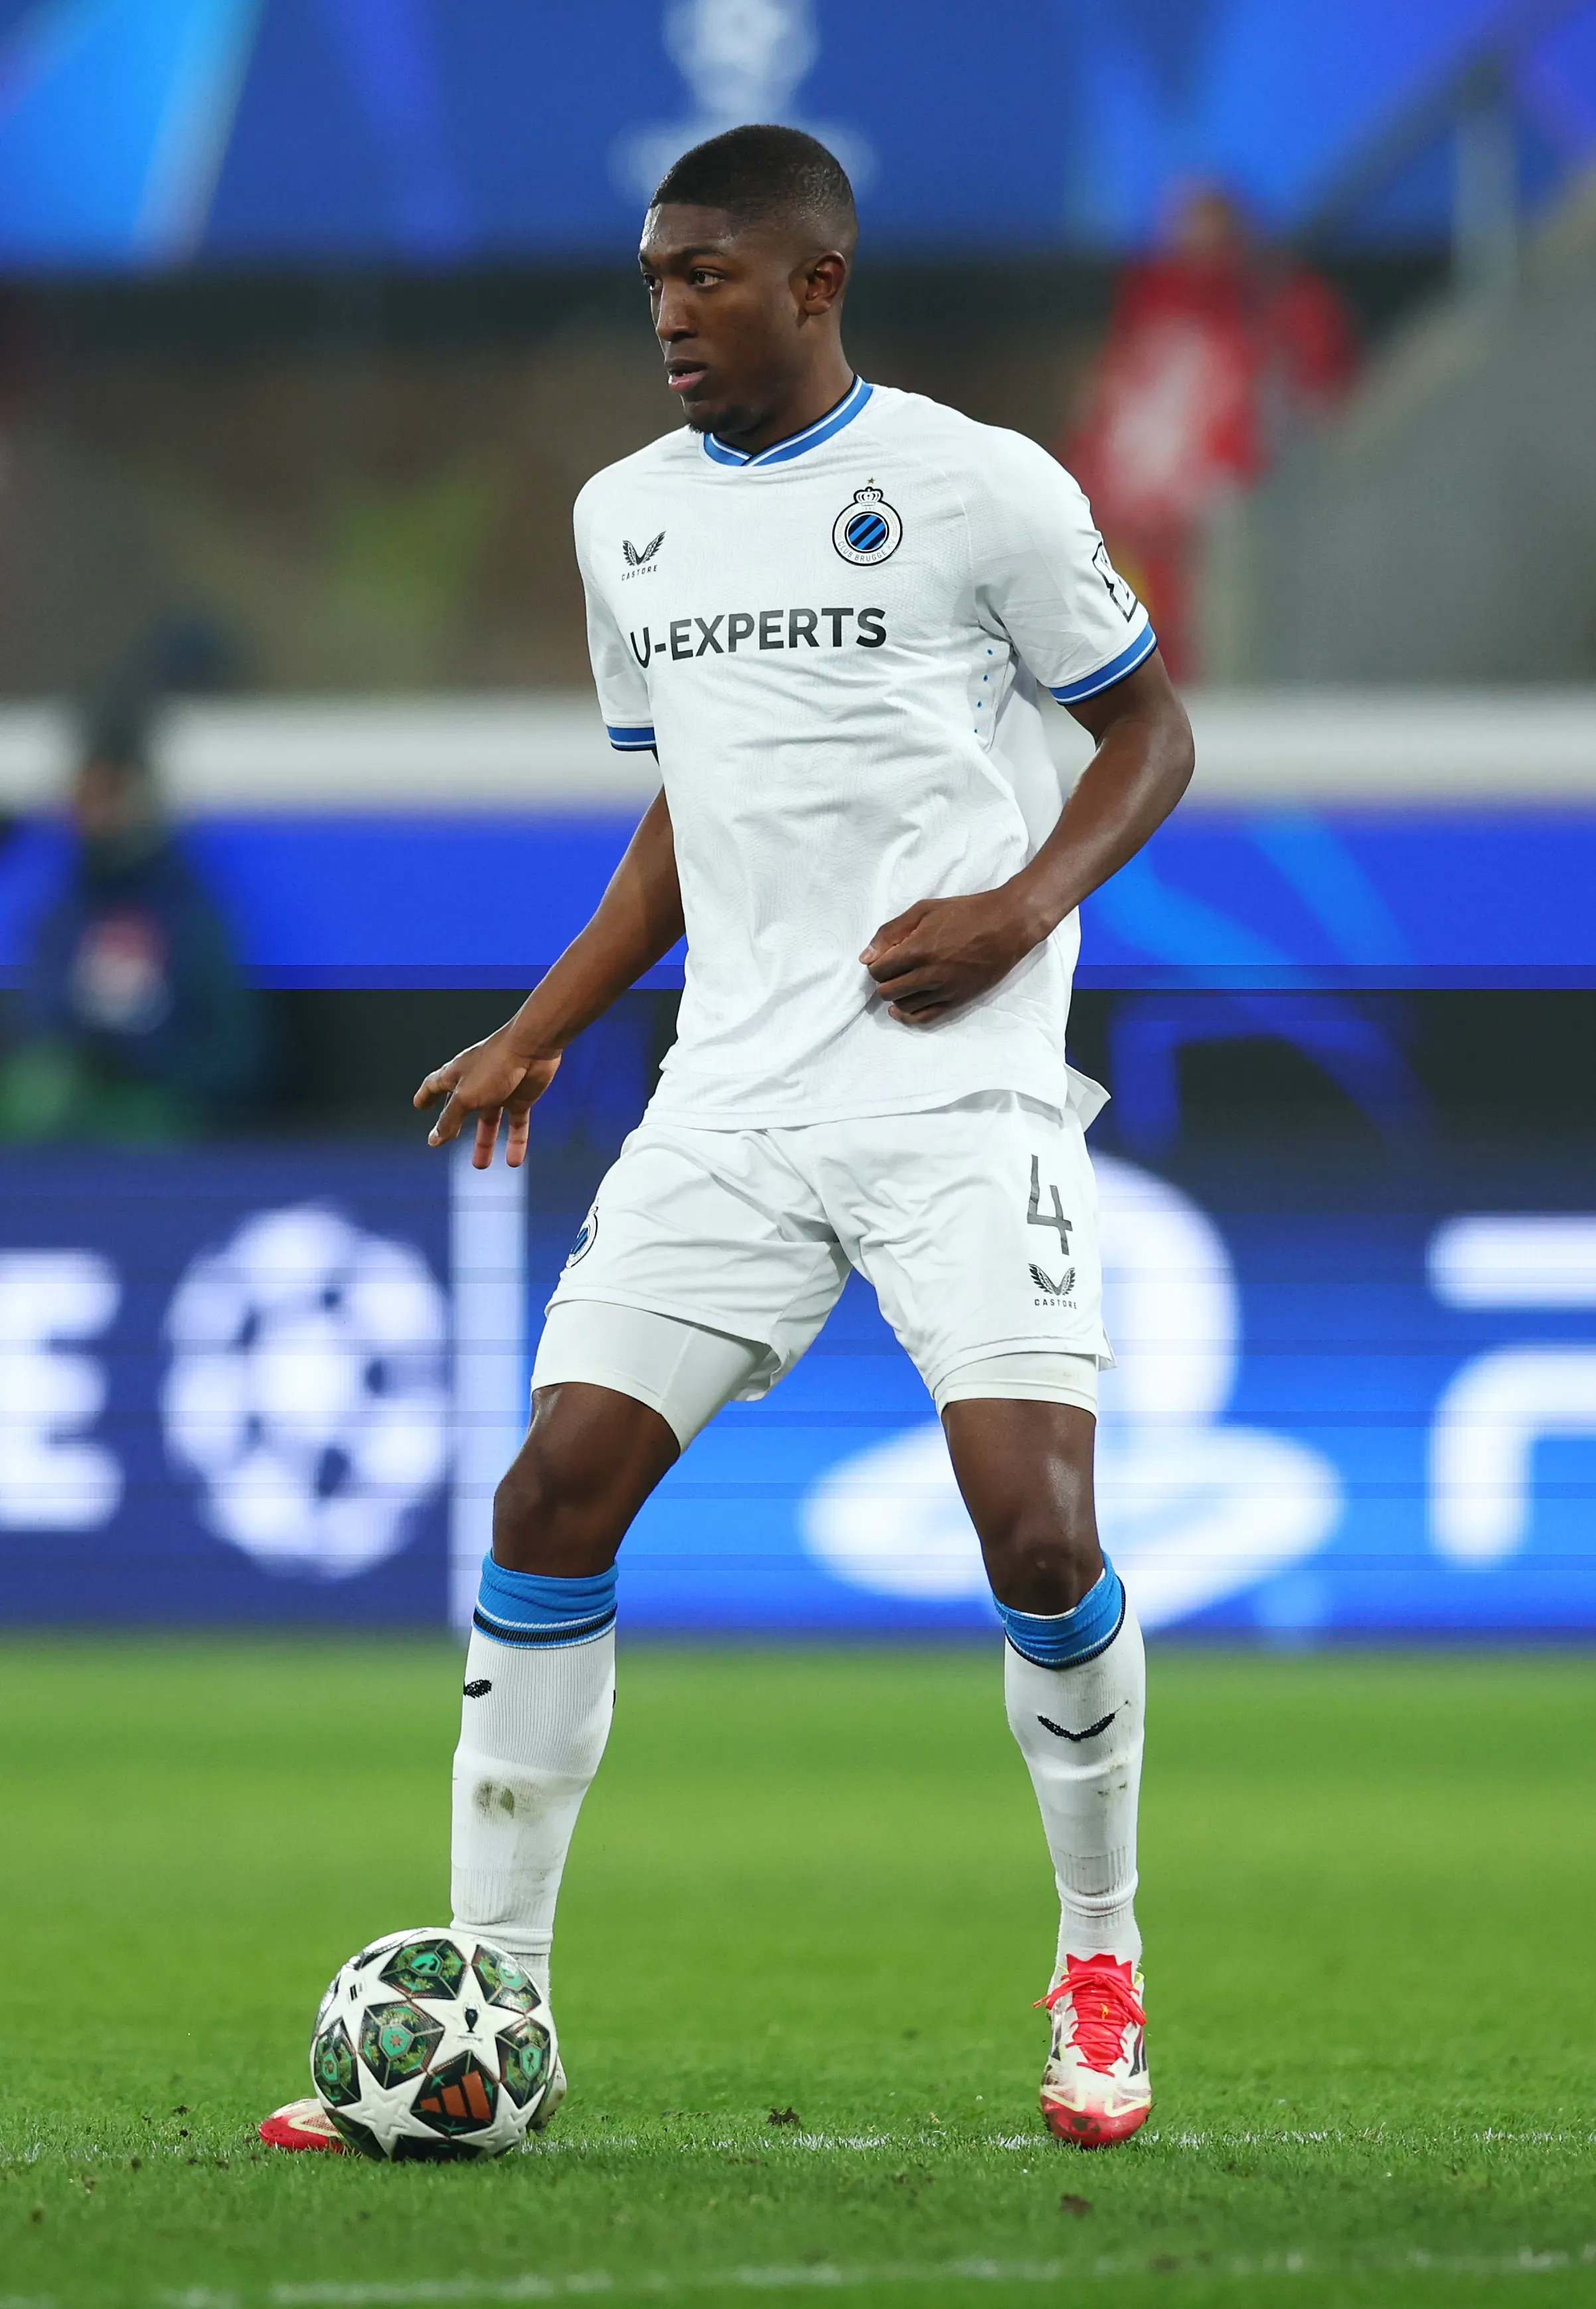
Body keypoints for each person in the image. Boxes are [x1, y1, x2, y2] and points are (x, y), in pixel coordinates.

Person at [263, 124, 1194, 2156]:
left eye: (706, 273)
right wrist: (541, 1021)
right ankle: (497, 1988)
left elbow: (1152, 731)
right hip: (733, 1102)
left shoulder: (981, 485)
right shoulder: (630, 521)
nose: (670, 311)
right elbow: (691, 805)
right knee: (548, 1502)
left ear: (814, 279)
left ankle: (1098, 1955)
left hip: (959, 1091)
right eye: (654, 279)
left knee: (1037, 1533)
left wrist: (1018, 908)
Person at [1065, 181, 1354, 679]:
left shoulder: (1280, 317)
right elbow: (1105, 429)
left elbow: (1318, 418)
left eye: (1211, 230)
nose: (1195, 244)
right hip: (1129, 538)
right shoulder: (1148, 320)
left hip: (1222, 542)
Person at [0, 709, 262, 1142]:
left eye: (111, 794)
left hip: (161, 1123)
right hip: (64, 1118)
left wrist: (146, 1064)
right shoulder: (60, 912)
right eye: (86, 795)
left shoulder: (192, 913)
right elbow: (36, 1030)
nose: (95, 813)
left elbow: (239, 1054)